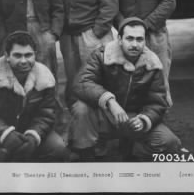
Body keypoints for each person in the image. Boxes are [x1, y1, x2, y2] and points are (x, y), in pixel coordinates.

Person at [69, 17, 181, 162]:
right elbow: (81, 82)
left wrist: (145, 119)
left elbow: (158, 102)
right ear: (120, 39)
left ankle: (131, 151)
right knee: (81, 108)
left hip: (134, 118)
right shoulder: (102, 55)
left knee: (170, 143)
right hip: (106, 116)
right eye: (129, 38)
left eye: (139, 39)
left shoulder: (153, 64)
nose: (134, 44)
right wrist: (109, 100)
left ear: (145, 41)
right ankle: (87, 157)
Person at [0, 31, 68, 162]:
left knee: (58, 148)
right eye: (17, 55)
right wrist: (5, 134)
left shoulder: (45, 77)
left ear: (35, 55)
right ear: (7, 56)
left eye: (28, 55)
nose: (23, 61)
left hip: (27, 133)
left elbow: (47, 114)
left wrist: (33, 136)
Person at [112, 0, 176, 106]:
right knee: (132, 82)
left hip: (156, 35)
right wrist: (125, 27)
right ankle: (136, 122)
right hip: (129, 38)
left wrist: (145, 25)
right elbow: (113, 7)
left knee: (160, 81)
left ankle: (160, 120)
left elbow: (169, 2)